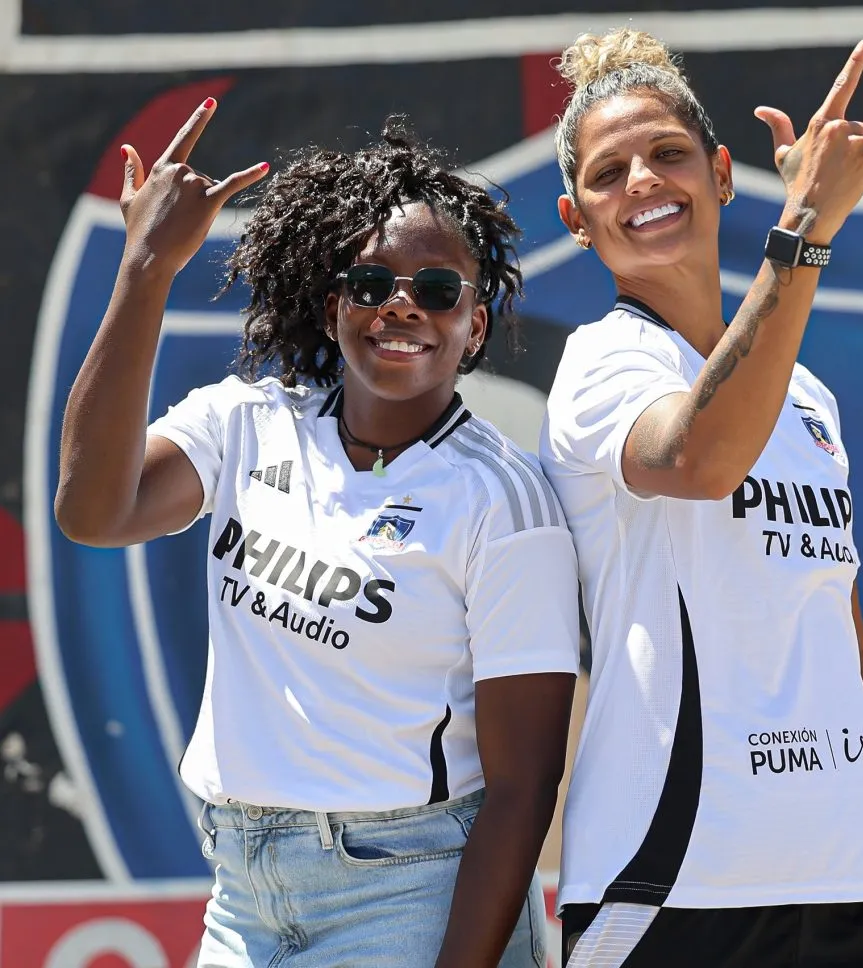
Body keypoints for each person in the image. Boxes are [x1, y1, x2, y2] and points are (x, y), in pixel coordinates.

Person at [55, 99, 579, 968]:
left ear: (475, 326)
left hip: (411, 889)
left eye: (439, 290)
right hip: (244, 893)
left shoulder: (501, 501)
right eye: (373, 285)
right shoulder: (245, 423)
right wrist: (146, 268)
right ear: (336, 307)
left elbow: (524, 790)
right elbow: (93, 511)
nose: (401, 307)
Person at [539, 28, 863, 968]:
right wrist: (804, 230)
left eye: (667, 154)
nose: (643, 181)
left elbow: (841, 638)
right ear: (575, 218)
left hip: (837, 865)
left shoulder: (807, 397)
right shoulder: (603, 362)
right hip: (674, 877)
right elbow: (697, 460)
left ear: (722, 173)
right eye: (609, 173)